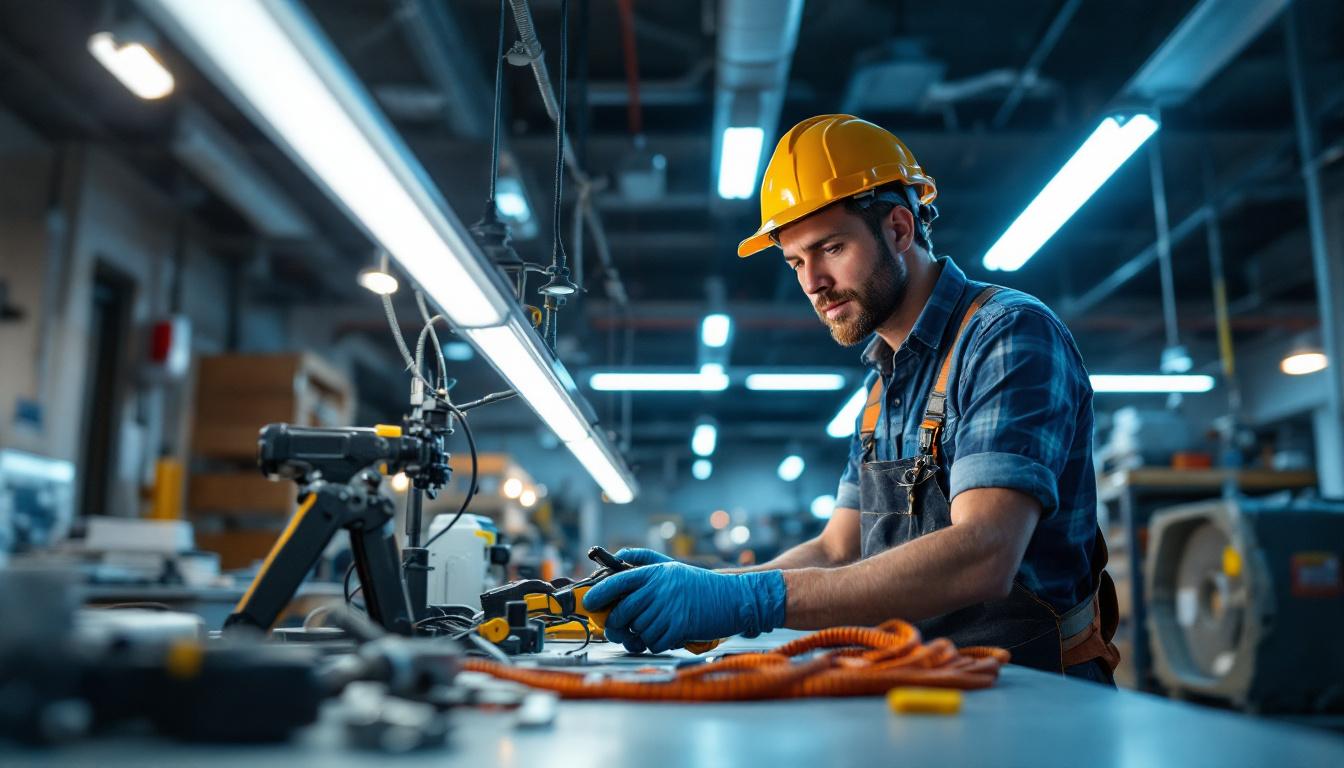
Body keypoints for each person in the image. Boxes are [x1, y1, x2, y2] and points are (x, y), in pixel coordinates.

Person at [584, 115, 1119, 682]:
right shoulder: (880, 390)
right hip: (928, 681)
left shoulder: (1007, 336)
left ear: (898, 229)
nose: (812, 281)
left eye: (830, 248)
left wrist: (749, 602)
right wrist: (714, 590)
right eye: (796, 263)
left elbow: (985, 553)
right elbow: (839, 549)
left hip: (1035, 693)